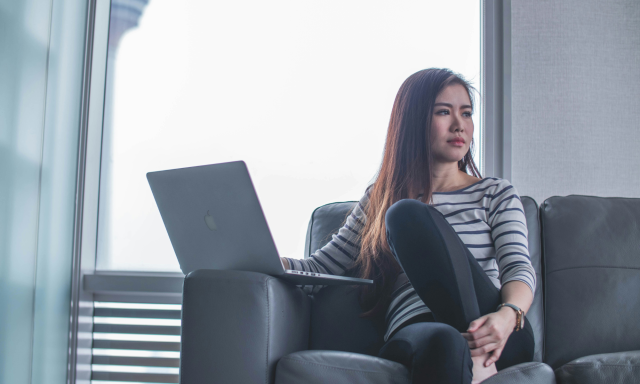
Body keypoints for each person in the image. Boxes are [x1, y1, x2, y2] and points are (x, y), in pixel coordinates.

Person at [280, 68, 535, 384]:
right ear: (414, 122)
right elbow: (319, 269)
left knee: (406, 216)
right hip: (418, 329)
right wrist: (263, 257)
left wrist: (508, 315)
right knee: (445, 339)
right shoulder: (381, 198)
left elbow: (518, 268)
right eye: (444, 112)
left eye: (466, 113)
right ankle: (474, 361)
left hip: (499, 333)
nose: (460, 125)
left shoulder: (495, 193)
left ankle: (479, 355)